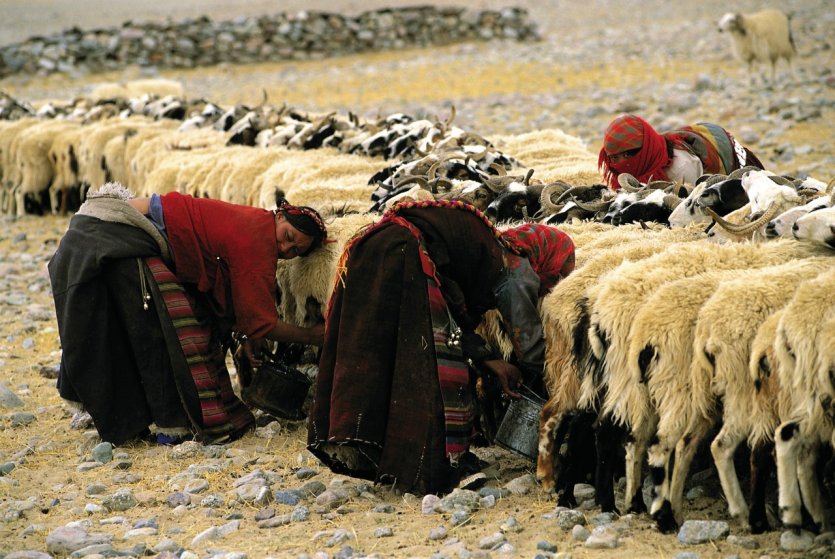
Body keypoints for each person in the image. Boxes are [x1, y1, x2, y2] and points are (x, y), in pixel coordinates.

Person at [307, 199, 575, 495]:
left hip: (370, 249)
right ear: (548, 256)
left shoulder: (486, 247)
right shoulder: (517, 270)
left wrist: (486, 360)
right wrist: (551, 377)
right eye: (560, 271)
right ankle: (433, 467)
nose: (556, 281)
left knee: (384, 359)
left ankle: (383, 455)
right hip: (403, 254)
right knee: (433, 364)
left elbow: (453, 307)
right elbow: (528, 344)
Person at [48, 182, 327, 446]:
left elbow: (245, 304)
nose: (285, 249)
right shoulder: (259, 239)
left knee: (157, 323)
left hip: (95, 226)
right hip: (114, 230)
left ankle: (134, 418)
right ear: (279, 216)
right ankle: (177, 423)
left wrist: (250, 333)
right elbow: (261, 322)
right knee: (176, 331)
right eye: (288, 237)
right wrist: (314, 336)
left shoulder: (253, 222)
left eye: (295, 251)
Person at [598, 114, 765, 190]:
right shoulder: (624, 171)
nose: (621, 163)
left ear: (646, 149)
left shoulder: (680, 169)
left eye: (628, 155)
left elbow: (694, 209)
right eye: (614, 158)